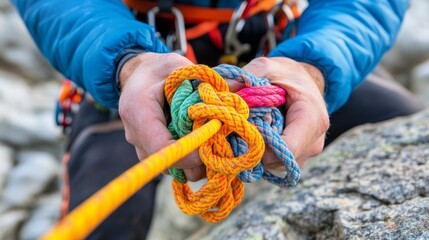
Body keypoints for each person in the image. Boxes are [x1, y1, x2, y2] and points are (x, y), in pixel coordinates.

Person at [11, 0, 423, 239]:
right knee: (102, 224)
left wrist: (316, 67)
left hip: (280, 59)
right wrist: (126, 63)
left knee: (413, 151)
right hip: (135, 71)